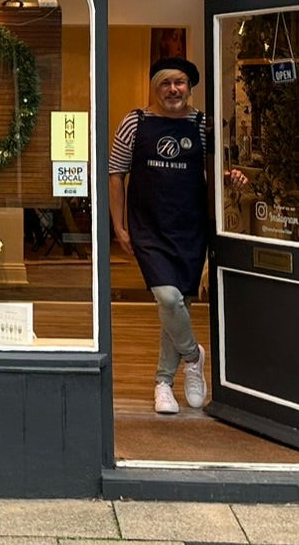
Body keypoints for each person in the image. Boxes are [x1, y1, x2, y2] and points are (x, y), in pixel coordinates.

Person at [110, 57, 245, 415]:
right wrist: (119, 225)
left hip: (190, 228)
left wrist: (231, 180)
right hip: (148, 228)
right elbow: (115, 174)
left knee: (177, 306)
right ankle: (193, 355)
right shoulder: (134, 123)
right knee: (168, 299)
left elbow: (216, 173)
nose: (174, 90)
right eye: (166, 83)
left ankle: (163, 384)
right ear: (155, 87)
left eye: (180, 83)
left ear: (189, 87)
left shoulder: (203, 125)